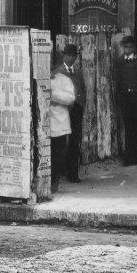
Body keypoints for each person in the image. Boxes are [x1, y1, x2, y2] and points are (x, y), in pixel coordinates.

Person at [114, 35, 137, 166]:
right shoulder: (119, 62)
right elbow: (117, 81)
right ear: (123, 48)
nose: (128, 49)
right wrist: (120, 97)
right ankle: (130, 158)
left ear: (134, 47)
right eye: (126, 47)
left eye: (130, 47)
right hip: (126, 100)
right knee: (129, 129)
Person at [57, 44, 86, 183]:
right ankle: (63, 172)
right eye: (69, 55)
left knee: (75, 141)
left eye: (74, 56)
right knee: (63, 142)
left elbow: (83, 90)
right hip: (64, 111)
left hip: (76, 110)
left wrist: (82, 105)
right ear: (64, 56)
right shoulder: (58, 72)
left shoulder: (78, 71)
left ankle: (73, 173)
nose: (71, 58)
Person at [49, 54, 77, 192]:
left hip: (59, 124)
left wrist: (53, 96)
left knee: (57, 154)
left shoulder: (64, 80)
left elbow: (70, 98)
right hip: (43, 125)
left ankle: (54, 182)